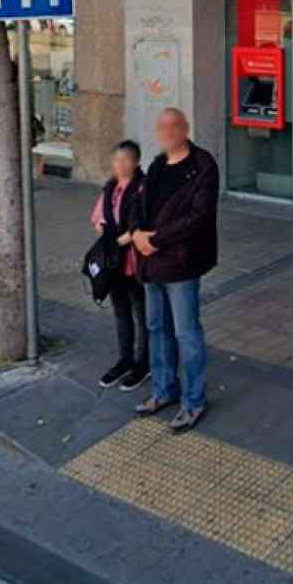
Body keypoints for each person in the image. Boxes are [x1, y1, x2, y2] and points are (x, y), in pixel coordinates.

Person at [131, 108, 219, 432]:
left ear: (186, 128)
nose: (167, 131)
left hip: (181, 262)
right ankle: (163, 390)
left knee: (186, 332)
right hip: (151, 262)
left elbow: (199, 216)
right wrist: (138, 233)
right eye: (162, 127)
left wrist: (155, 239)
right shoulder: (156, 165)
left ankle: (194, 400)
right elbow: (139, 207)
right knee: (157, 329)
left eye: (173, 126)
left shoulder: (202, 165)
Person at [91, 140, 150, 391]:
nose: (120, 165)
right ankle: (124, 359)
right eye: (116, 160)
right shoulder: (111, 188)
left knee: (141, 313)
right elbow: (97, 218)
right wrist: (104, 230)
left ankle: (143, 363)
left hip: (135, 261)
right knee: (121, 312)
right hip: (114, 263)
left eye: (125, 160)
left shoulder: (143, 188)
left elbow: (145, 223)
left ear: (136, 162)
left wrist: (121, 239)